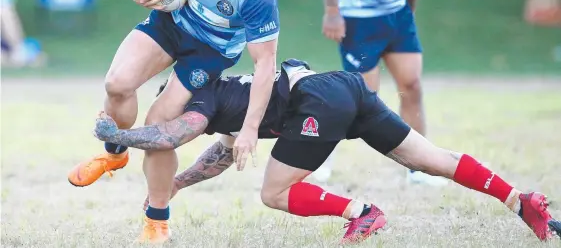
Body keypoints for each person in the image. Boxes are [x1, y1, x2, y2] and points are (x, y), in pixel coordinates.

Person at [94, 59, 561, 244]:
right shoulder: (224, 96)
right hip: (343, 86)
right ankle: (521, 200)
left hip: (317, 101)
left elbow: (172, 136)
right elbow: (219, 154)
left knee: (274, 193)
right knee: (427, 158)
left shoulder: (200, 98)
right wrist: (175, 185)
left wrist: (117, 136)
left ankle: (363, 211)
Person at [67, 0, 280, 242]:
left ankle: (157, 220)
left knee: (159, 126)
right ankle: (114, 155)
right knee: (116, 84)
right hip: (170, 24)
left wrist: (250, 128)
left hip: (211, 50)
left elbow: (265, 63)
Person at [319, 0, 441, 185]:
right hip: (359, 21)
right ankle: (318, 161)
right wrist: (332, 12)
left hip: (397, 18)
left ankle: (420, 169)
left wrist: (408, 13)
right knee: (359, 99)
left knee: (412, 86)